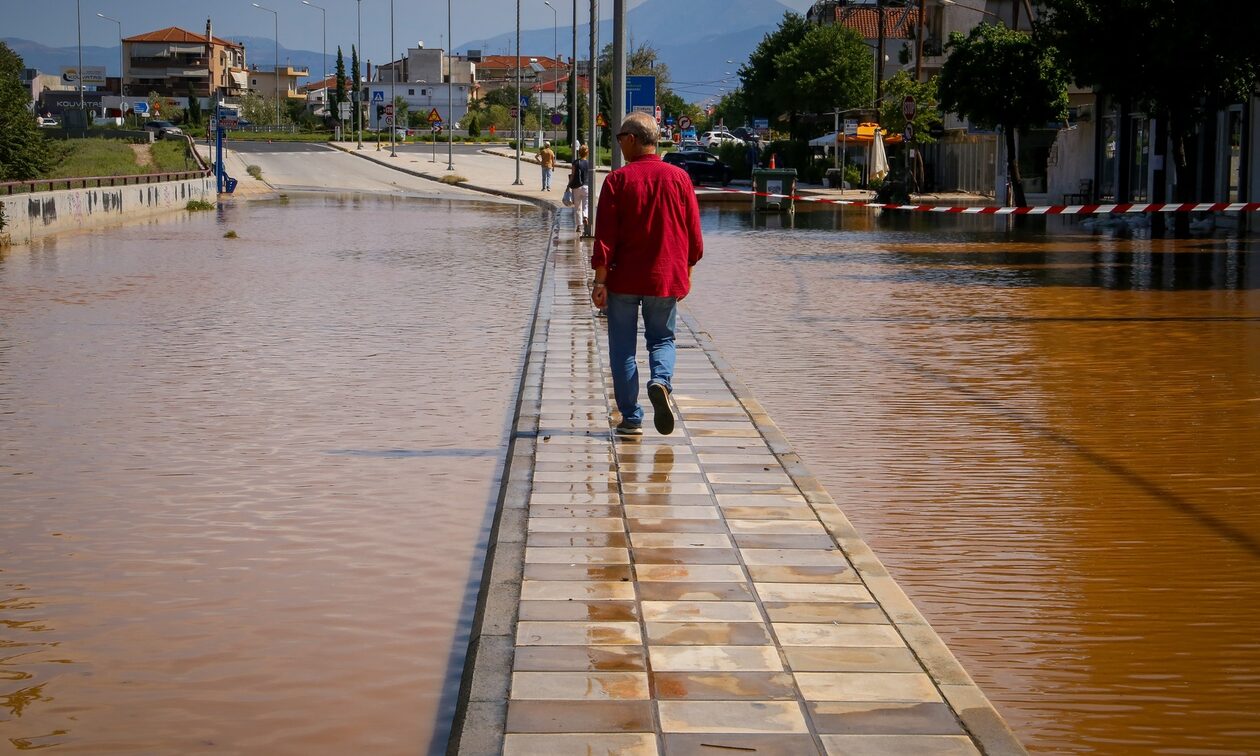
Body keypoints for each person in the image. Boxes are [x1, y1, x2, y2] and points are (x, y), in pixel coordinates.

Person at [590, 112, 703, 436]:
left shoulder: (617, 181)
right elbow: (694, 234)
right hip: (664, 278)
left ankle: (632, 418)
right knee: (663, 339)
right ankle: (660, 381)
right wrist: (688, 270)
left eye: (620, 138)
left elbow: (606, 237)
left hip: (623, 280)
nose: (619, 144)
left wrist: (600, 281)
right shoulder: (679, 178)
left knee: (623, 349)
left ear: (632, 139)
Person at [568, 145, 590, 233]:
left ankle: (579, 226)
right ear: (587, 153)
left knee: (577, 207)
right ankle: (585, 216)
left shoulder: (575, 163)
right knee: (586, 204)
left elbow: (572, 175)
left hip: (577, 187)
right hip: (586, 187)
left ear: (579, 152)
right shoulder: (589, 163)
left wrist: (568, 186)